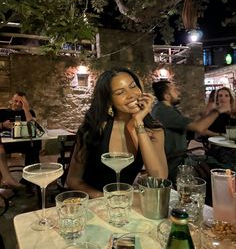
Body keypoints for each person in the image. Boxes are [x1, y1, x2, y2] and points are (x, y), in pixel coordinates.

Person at [66, 67, 168, 198]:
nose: (131, 95)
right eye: (120, 92)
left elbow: (158, 178)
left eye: (133, 86)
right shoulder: (94, 128)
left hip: (124, 207)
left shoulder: (154, 130)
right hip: (92, 205)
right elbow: (73, 180)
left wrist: (138, 123)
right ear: (109, 100)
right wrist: (106, 198)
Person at [151, 80, 231, 184]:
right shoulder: (164, 112)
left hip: (180, 158)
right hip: (175, 163)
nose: (178, 92)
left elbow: (193, 129)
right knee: (224, 171)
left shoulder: (163, 110)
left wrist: (205, 113)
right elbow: (199, 127)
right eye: (175, 90)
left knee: (221, 165)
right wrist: (218, 111)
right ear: (167, 96)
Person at [0, 91, 41, 188]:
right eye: (16, 101)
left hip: (24, 144)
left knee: (35, 144)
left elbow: (33, 127)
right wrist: (2, 124)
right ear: (11, 101)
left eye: (21, 102)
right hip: (6, 144)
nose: (17, 104)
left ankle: (29, 180)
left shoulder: (29, 113)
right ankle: (7, 179)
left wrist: (26, 109)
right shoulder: (3, 112)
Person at [202, 87, 236, 170]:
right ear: (217, 99)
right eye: (220, 96)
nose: (223, 98)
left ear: (231, 98)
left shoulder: (234, 113)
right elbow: (203, 130)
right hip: (218, 145)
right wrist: (220, 135)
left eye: (226, 95)